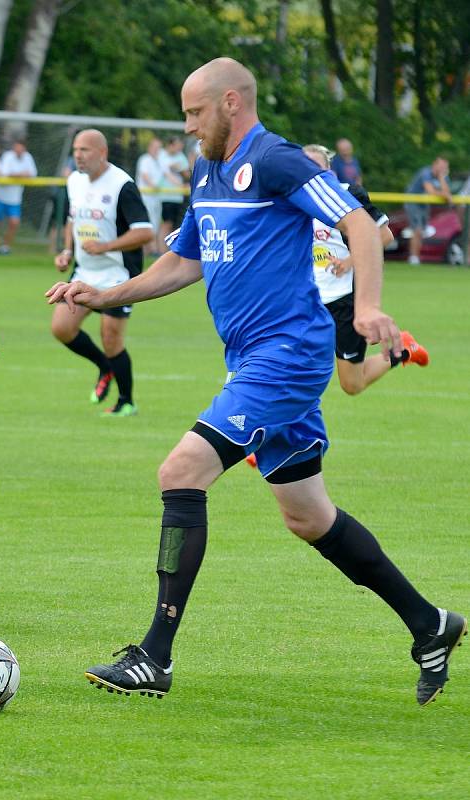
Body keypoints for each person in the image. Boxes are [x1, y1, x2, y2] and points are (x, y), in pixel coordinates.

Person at [47, 57, 465, 706]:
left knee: (181, 471)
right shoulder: (207, 169)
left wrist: (367, 306)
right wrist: (105, 297)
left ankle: (154, 655)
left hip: (288, 356)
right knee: (309, 517)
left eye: (194, 112)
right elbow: (183, 261)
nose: (186, 126)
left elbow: (358, 224)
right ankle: (430, 624)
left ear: (232, 103)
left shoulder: (276, 160)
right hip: (252, 361)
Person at [305, 143, 429, 394]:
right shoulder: (293, 200)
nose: (310, 174)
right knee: (292, 367)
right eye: (304, 168)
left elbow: (384, 235)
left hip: (344, 299)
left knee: (352, 383)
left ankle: (402, 349)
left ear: (329, 172)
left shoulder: (348, 194)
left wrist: (350, 260)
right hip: (306, 298)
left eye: (316, 168)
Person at [52, 129, 153, 417]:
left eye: (85, 150)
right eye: (75, 150)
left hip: (118, 274)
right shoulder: (74, 181)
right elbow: (73, 219)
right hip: (84, 272)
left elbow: (145, 233)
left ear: (103, 153)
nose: (79, 156)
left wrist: (106, 246)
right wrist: (67, 251)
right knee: (62, 328)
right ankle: (104, 366)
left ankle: (126, 401)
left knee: (111, 337)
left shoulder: (122, 185)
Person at [0, 138, 37, 255]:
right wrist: (21, 174)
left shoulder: (28, 157)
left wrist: (17, 174)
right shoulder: (8, 156)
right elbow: (5, 173)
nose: (18, 149)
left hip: (14, 198)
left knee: (14, 222)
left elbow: (33, 174)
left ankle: (6, 246)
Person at [404, 156, 452, 265]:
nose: (443, 168)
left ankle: (417, 256)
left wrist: (441, 178)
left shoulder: (443, 177)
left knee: (423, 231)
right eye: (441, 166)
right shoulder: (425, 173)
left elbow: (447, 192)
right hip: (413, 202)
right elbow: (430, 191)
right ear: (434, 164)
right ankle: (414, 258)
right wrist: (445, 195)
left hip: (424, 204)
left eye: (445, 167)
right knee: (417, 230)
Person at [157, 137, 190, 254]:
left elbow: (186, 173)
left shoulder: (180, 156)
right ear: (171, 145)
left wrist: (180, 170)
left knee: (175, 225)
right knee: (166, 224)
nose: (180, 148)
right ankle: (161, 252)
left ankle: (171, 252)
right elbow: (167, 174)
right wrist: (181, 185)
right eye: (177, 145)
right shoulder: (162, 155)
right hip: (166, 196)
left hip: (178, 197)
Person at [135, 137, 164, 255]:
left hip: (156, 197)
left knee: (155, 223)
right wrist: (153, 186)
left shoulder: (159, 161)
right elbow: (145, 175)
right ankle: (148, 250)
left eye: (159, 148)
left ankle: (150, 250)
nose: (157, 150)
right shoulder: (145, 159)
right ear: (150, 148)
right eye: (155, 147)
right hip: (145, 197)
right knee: (147, 223)